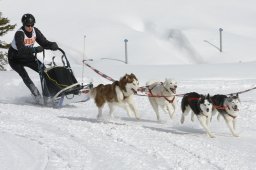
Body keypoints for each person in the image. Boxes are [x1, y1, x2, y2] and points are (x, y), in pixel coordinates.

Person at [8, 13, 59, 103]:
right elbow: (21, 49)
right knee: (24, 75)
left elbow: (44, 42)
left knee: (44, 72)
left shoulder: (35, 31)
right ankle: (37, 96)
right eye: (28, 25)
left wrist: (52, 45)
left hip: (27, 56)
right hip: (14, 58)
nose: (30, 27)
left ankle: (47, 97)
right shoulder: (19, 33)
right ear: (24, 24)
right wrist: (35, 49)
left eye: (32, 25)